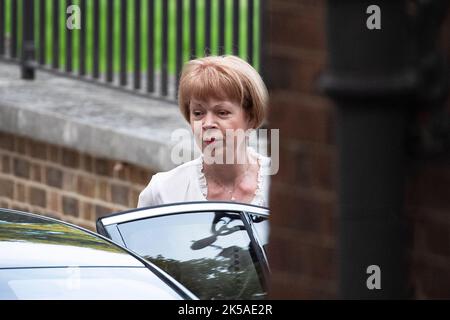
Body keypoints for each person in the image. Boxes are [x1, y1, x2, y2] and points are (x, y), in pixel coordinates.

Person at [137, 55, 271, 208]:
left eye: (222, 112)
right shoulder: (164, 192)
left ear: (251, 117)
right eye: (198, 113)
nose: (207, 124)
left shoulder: (283, 187)